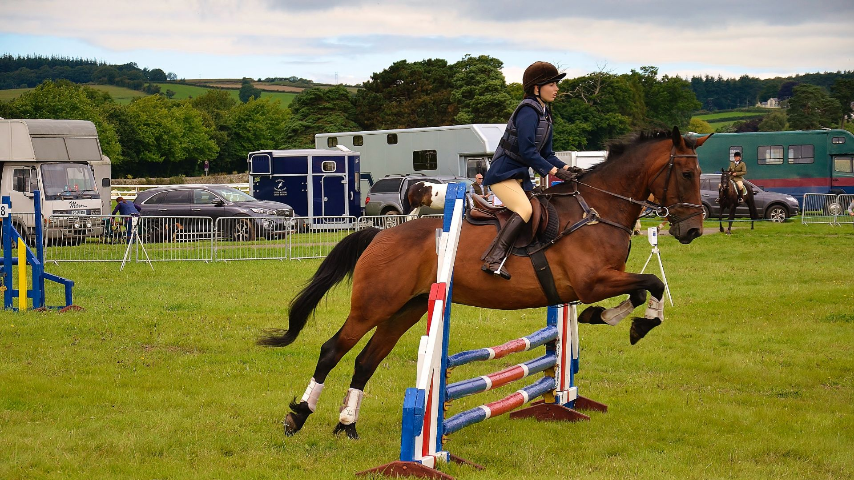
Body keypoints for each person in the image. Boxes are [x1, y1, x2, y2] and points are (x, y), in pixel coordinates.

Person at [481, 61, 577, 280]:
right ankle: (493, 259)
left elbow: (547, 154)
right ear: (536, 88)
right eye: (552, 84)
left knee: (541, 207)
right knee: (525, 210)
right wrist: (554, 172)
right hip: (502, 175)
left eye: (556, 84)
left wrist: (568, 168)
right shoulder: (527, 110)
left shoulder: (545, 114)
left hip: (519, 177)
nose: (556, 89)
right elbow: (527, 152)